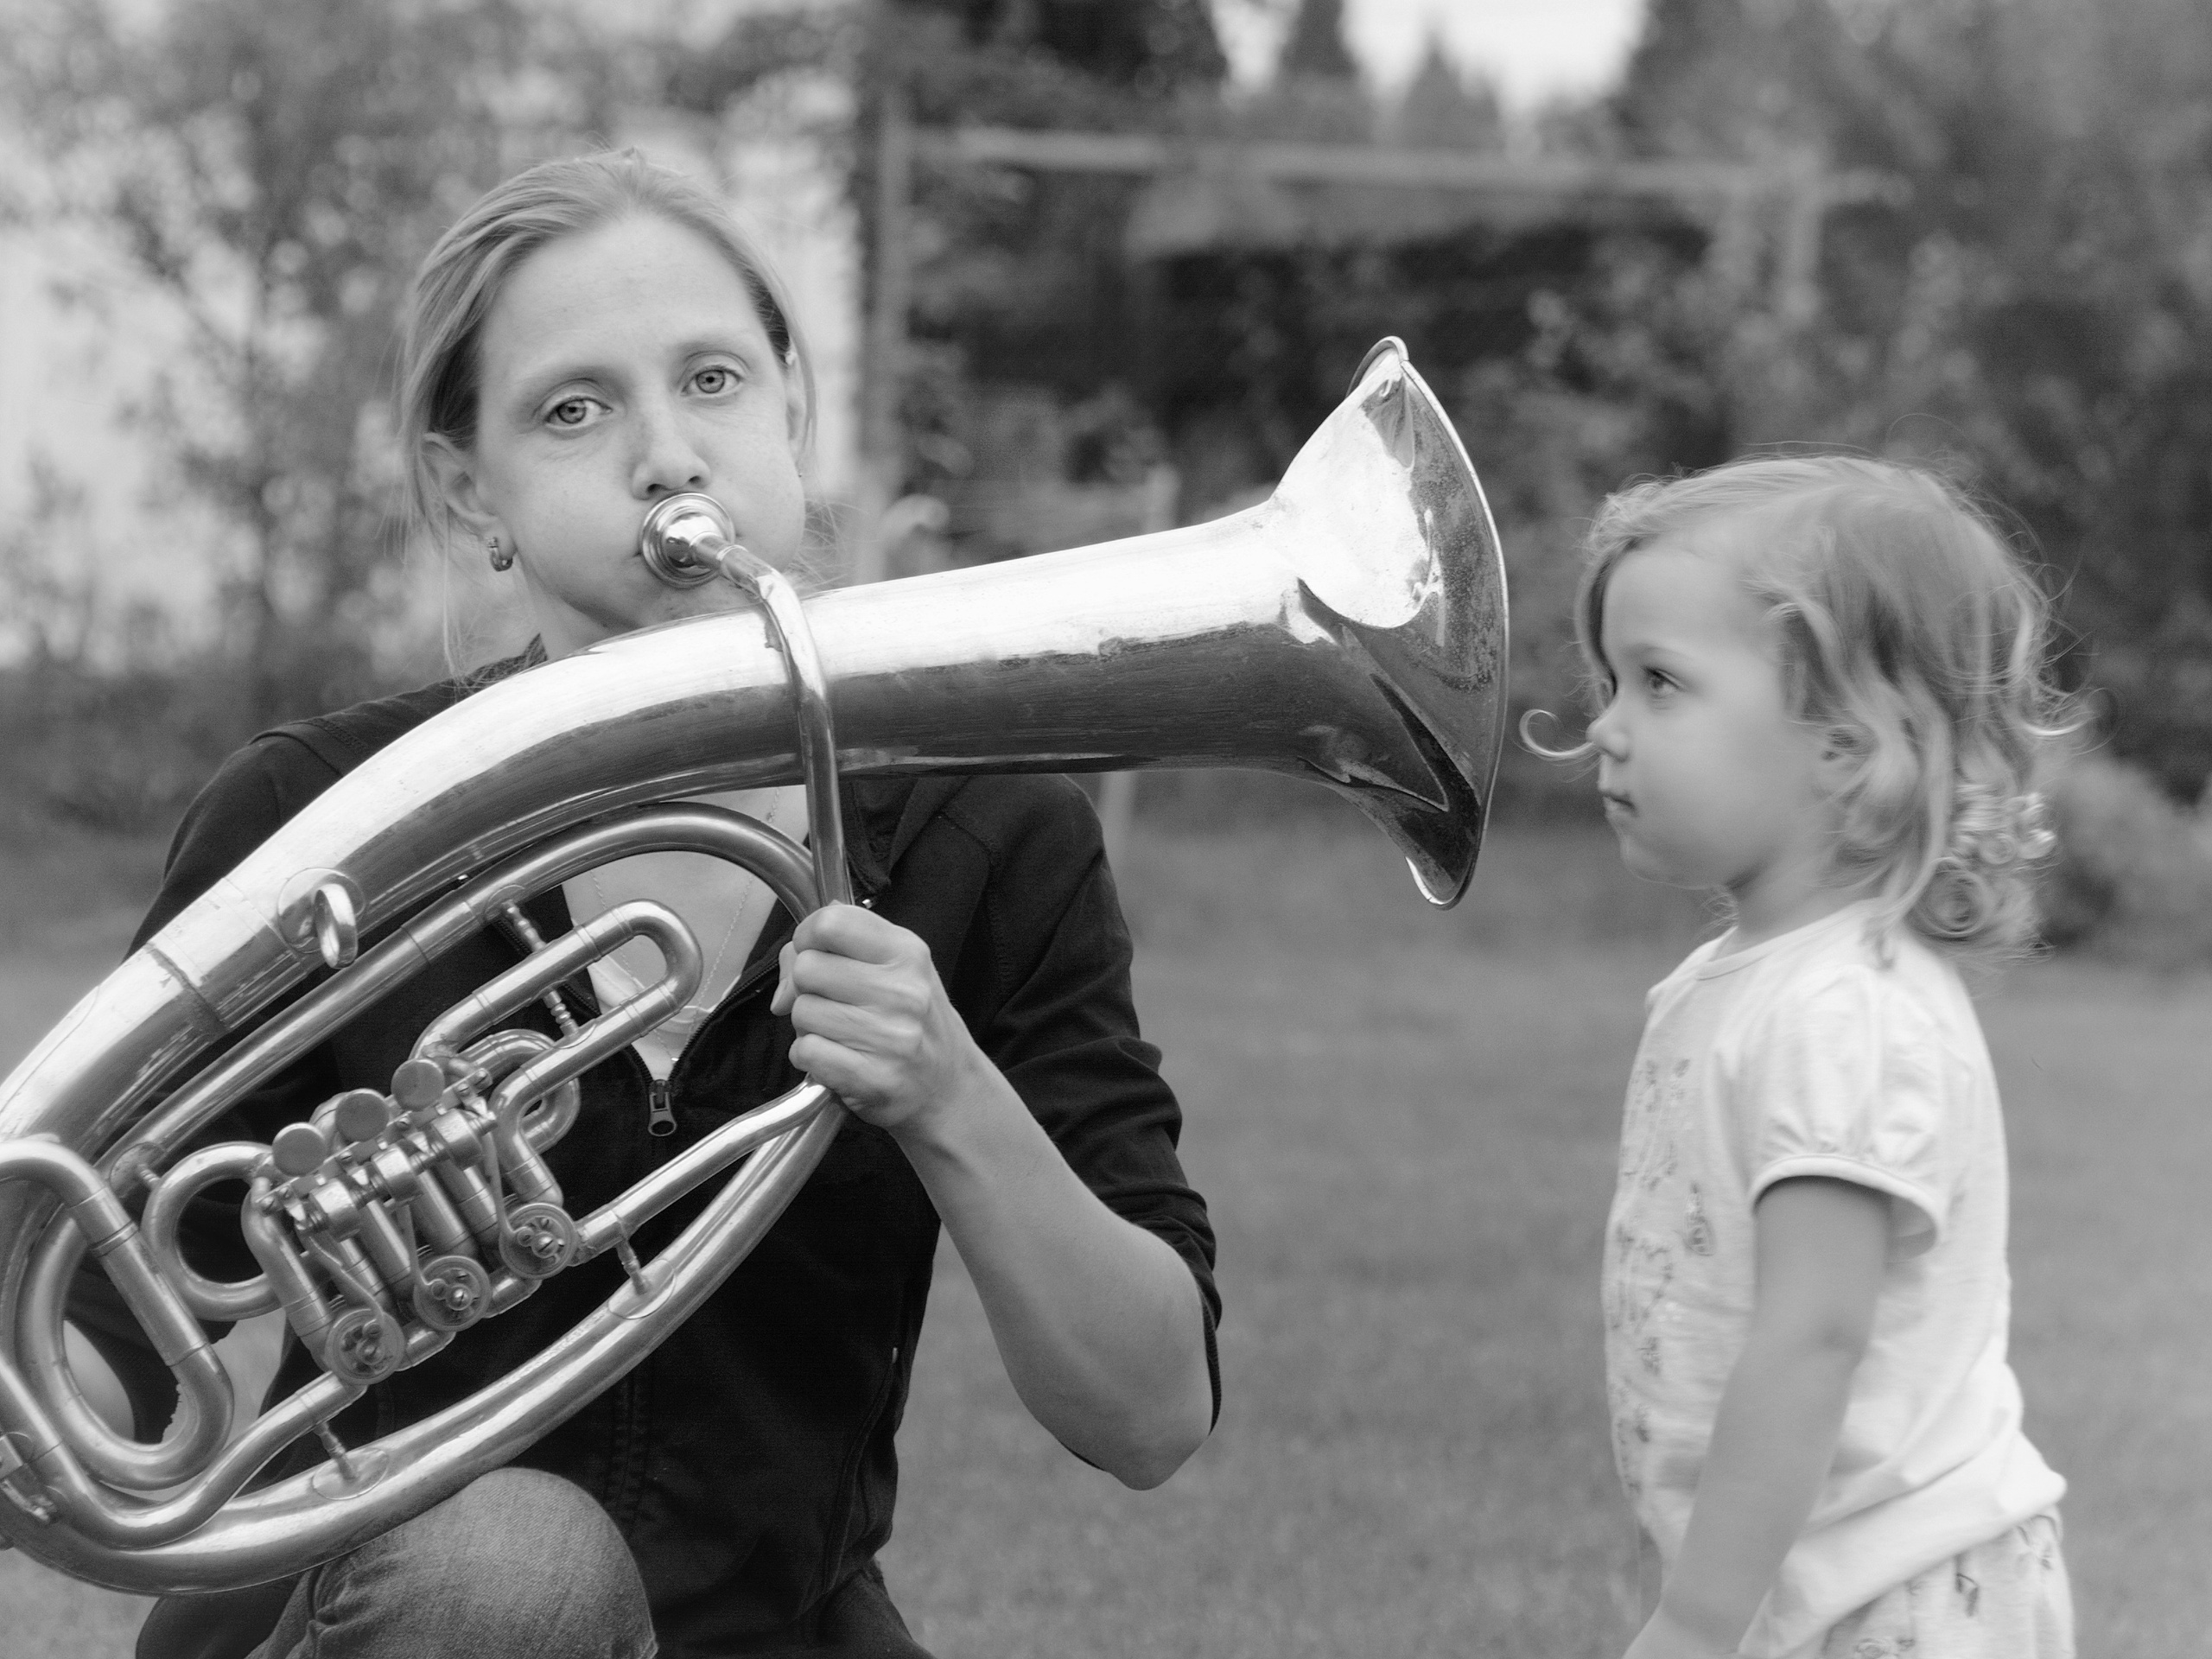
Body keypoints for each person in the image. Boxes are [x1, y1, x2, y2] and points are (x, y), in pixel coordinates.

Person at [94, 149, 1219, 1659]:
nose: (667, 455)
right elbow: (101, 1365)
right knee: (516, 1569)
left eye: (713, 380)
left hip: (785, 1627)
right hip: (367, 1613)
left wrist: (949, 1091)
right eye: (575, 410)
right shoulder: (321, 824)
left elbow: (1151, 1415)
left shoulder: (994, 833)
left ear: (795, 413)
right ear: (464, 490)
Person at [1528, 455, 2075, 1659]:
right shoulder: (1753, 982)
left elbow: (1811, 1334)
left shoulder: (1843, 1012)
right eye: (1611, 680)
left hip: (1904, 1600)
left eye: (1661, 684)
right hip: (1823, 1587)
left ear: (1843, 741)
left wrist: (1698, 1620)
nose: (1604, 730)